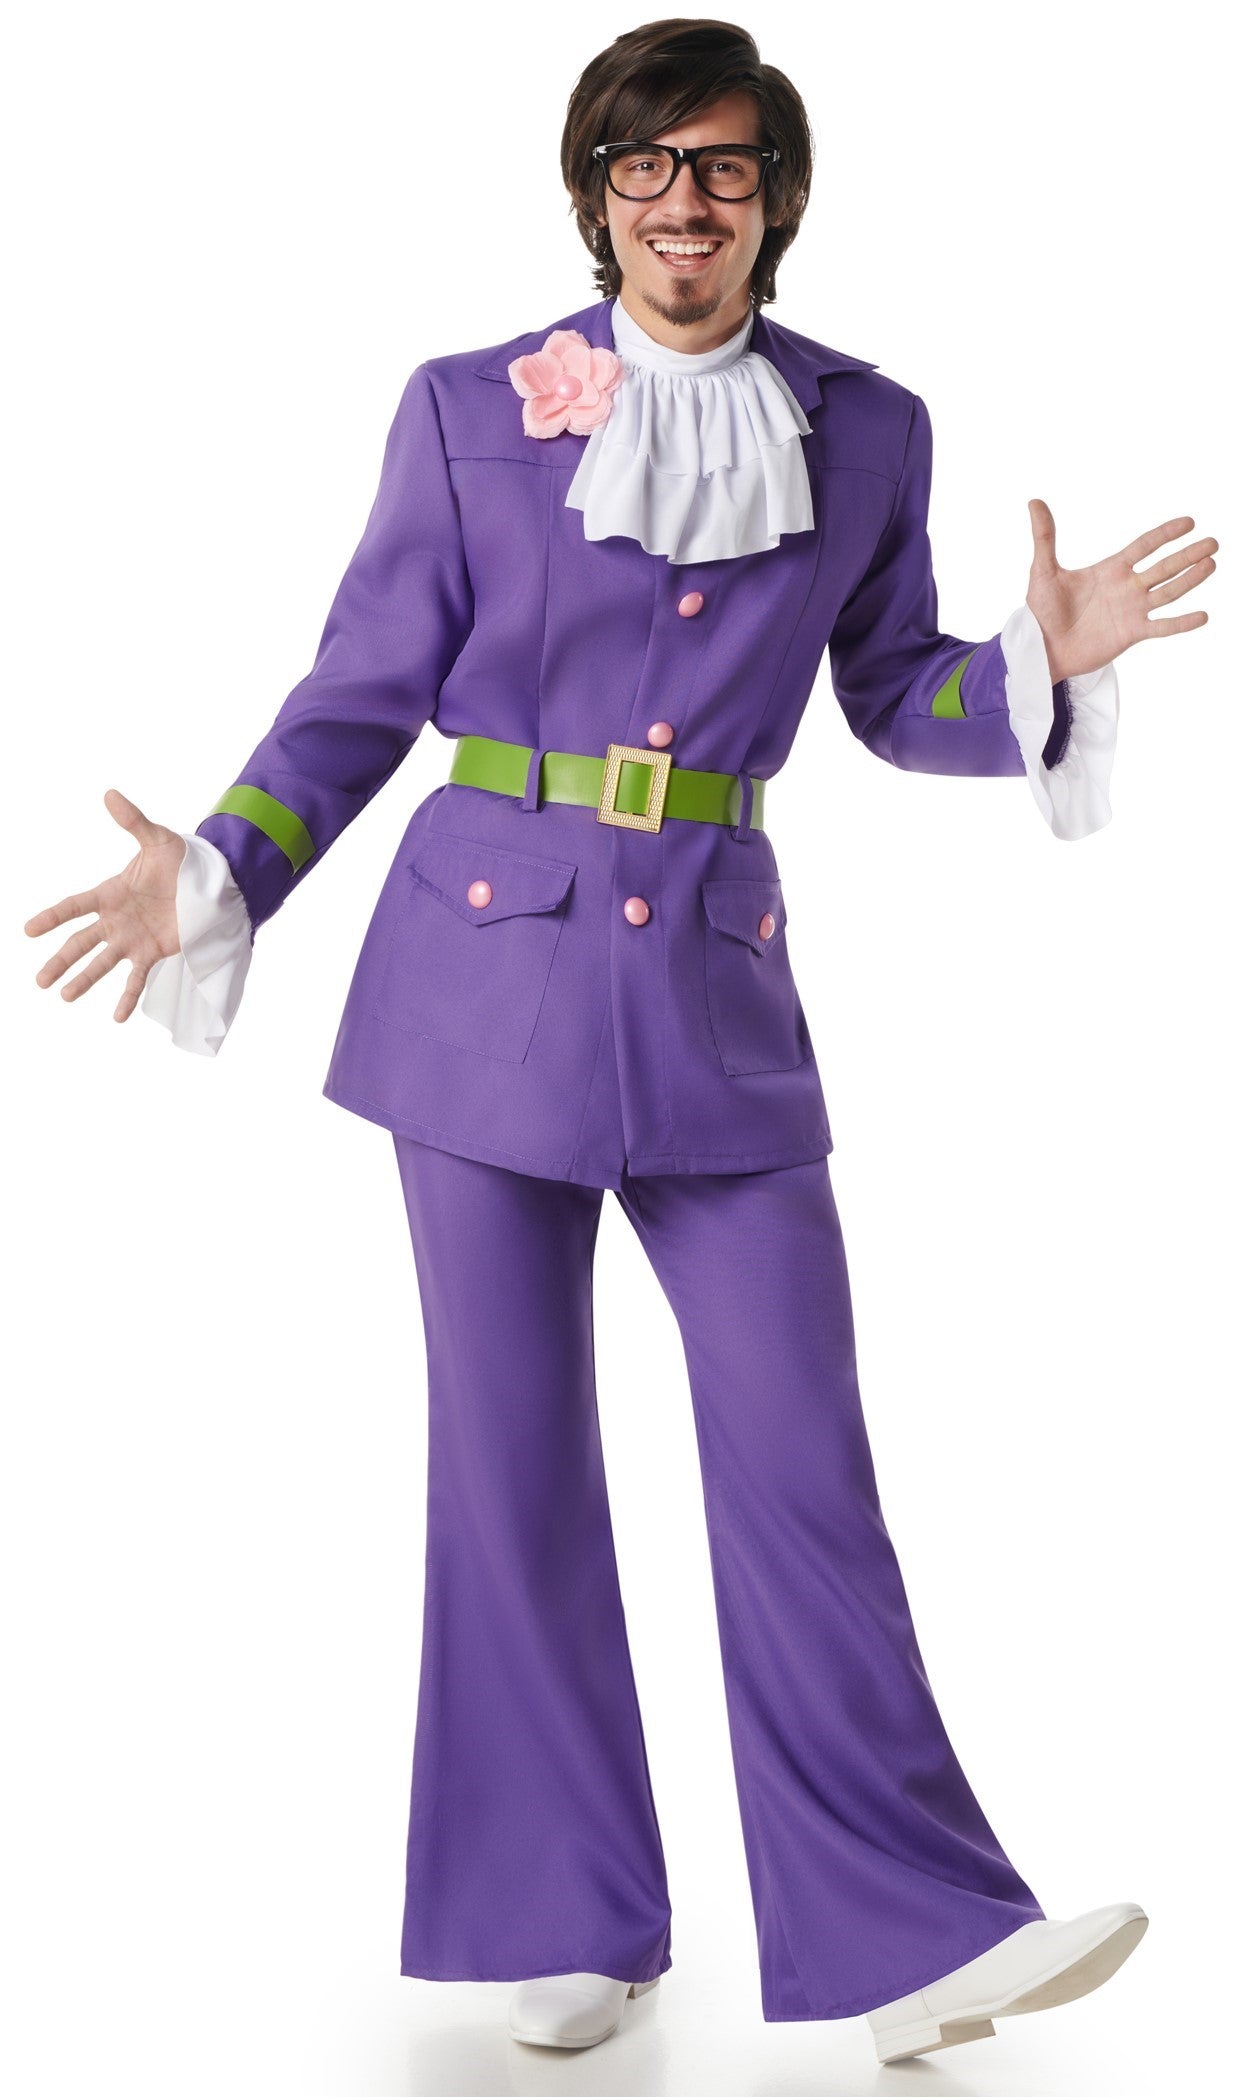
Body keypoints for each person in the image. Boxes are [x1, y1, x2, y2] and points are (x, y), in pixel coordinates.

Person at [23, 16, 1214, 2066]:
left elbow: (890, 694)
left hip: (715, 994)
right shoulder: (464, 405)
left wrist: (1035, 660)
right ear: (595, 195)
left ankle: (909, 1933)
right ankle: (564, 1908)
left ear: (775, 200)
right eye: (645, 165)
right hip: (473, 983)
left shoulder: (869, 426)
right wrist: (219, 868)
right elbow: (361, 687)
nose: (683, 200)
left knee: (801, 1452)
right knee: (508, 1463)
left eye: (723, 166)